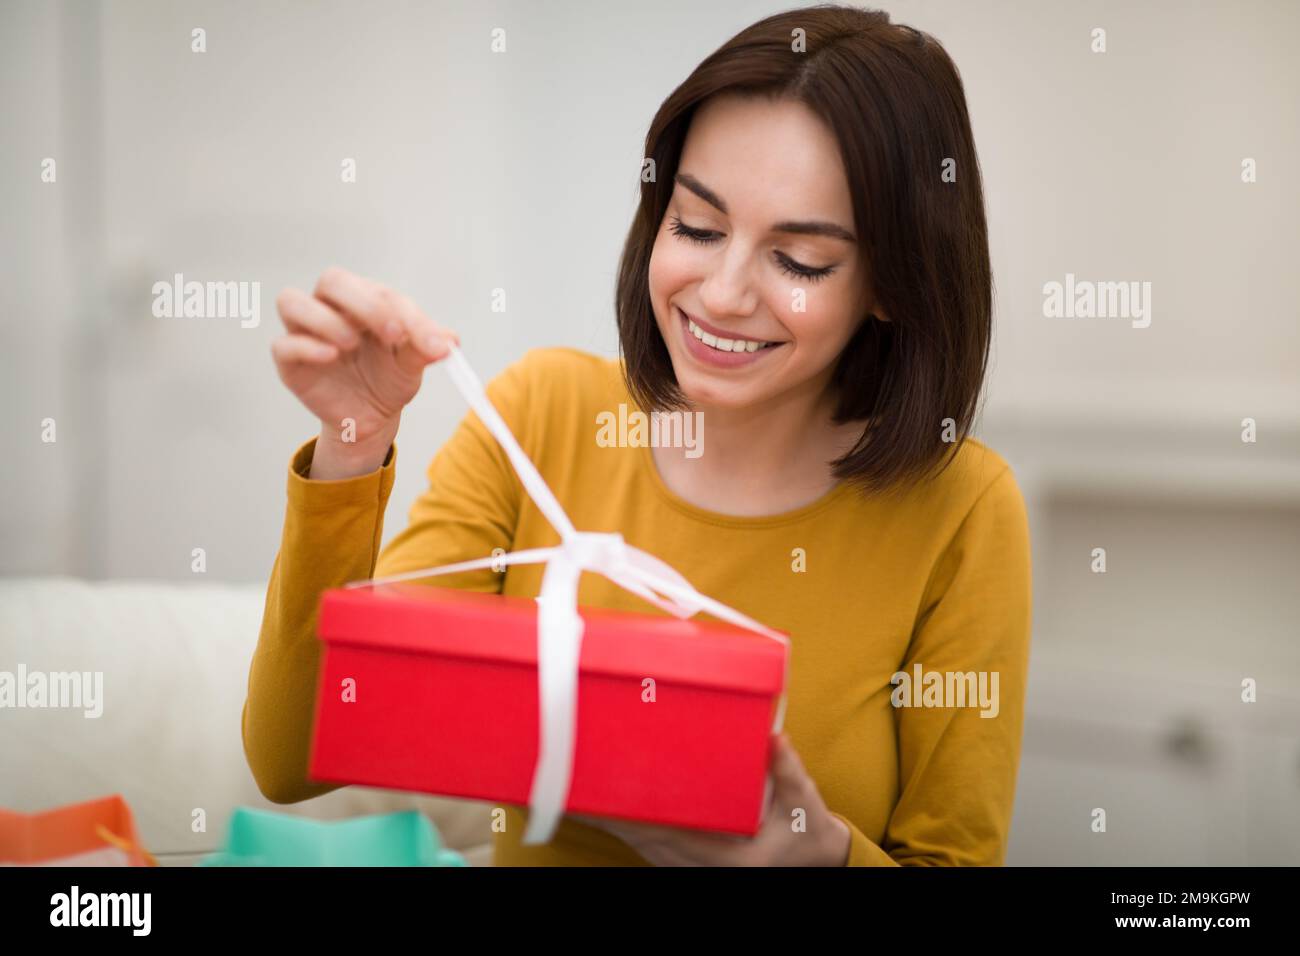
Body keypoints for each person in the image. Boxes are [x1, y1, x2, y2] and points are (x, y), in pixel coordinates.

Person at [244, 4, 1031, 866]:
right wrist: (352, 446)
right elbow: (295, 760)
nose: (723, 293)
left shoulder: (962, 510)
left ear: (893, 281)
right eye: (696, 226)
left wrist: (820, 855)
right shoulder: (541, 417)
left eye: (799, 259)